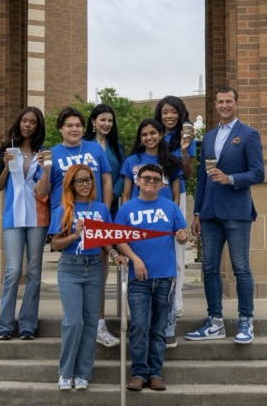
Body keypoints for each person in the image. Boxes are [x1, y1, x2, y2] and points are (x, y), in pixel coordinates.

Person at [185, 87, 264, 346]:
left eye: (229, 101)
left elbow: (258, 174)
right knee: (209, 268)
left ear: (237, 104)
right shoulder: (207, 138)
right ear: (215, 105)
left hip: (237, 212)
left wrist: (230, 179)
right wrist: (197, 212)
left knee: (240, 267)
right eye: (220, 101)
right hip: (209, 213)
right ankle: (215, 321)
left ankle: (245, 319)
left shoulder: (248, 135)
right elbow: (201, 179)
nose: (224, 105)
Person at [36, 106, 119, 349]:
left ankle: (100, 325)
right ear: (60, 128)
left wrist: (104, 208)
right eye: (69, 125)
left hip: (95, 212)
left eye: (78, 125)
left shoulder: (94, 148)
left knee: (100, 267)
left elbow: (106, 179)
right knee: (72, 269)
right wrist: (46, 171)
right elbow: (41, 192)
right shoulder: (52, 153)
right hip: (66, 217)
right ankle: (75, 322)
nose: (74, 129)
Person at [114, 162, 187, 392]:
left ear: (162, 183)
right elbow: (119, 239)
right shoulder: (126, 209)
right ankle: (138, 373)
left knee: (158, 328)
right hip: (139, 279)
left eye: (156, 179)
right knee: (139, 325)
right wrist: (134, 259)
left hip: (165, 277)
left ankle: (155, 373)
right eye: (147, 178)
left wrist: (183, 237)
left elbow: (182, 237)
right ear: (137, 181)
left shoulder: (170, 207)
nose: (151, 182)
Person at [49, 164, 113, 390]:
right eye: (80, 181)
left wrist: (115, 253)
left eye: (88, 180)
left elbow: (105, 240)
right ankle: (66, 372)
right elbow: (55, 244)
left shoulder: (101, 209)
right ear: (71, 184)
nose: (85, 185)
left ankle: (83, 373)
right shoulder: (63, 209)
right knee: (73, 322)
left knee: (90, 325)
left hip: (94, 266)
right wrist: (75, 234)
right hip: (70, 268)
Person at [0, 106, 49, 341]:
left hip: (37, 217)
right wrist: (5, 166)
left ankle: (27, 325)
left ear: (38, 126)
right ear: (19, 122)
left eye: (32, 122)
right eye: (24, 120)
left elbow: (46, 188)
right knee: (13, 270)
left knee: (34, 272)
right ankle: (4, 325)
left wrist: (46, 170)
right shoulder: (7, 150)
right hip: (13, 217)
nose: (27, 125)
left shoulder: (44, 153)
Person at [153, 95, 196, 344]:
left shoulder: (186, 139)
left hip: (175, 196)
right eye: (165, 112)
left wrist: (183, 151)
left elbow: (188, 173)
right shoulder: (155, 135)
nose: (169, 116)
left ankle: (177, 301)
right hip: (152, 196)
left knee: (178, 253)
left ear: (181, 114)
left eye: (174, 112)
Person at [84, 103, 126, 346]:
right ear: (93, 121)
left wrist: (108, 205)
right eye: (102, 119)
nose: (107, 124)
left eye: (110, 120)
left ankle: (99, 323)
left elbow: (119, 177)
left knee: (102, 265)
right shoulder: (85, 146)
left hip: (107, 212)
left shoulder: (115, 147)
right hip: (83, 213)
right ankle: (87, 320)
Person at [119, 119, 180, 206]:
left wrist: (173, 214)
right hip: (137, 213)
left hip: (164, 212)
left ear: (160, 135)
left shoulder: (171, 161)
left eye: (152, 133)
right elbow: (126, 195)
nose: (148, 137)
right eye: (144, 134)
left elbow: (176, 196)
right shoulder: (131, 160)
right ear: (140, 138)